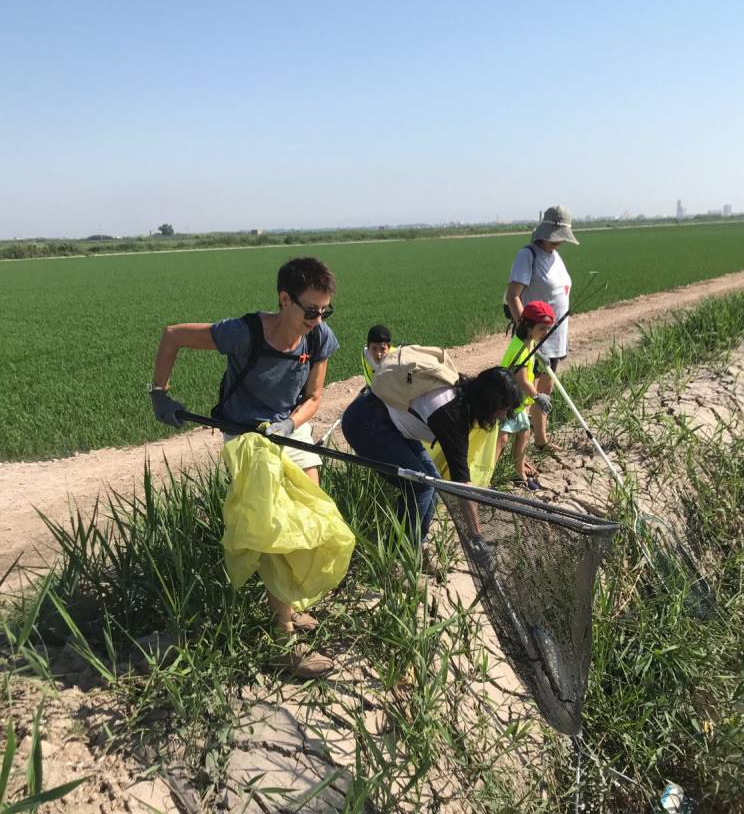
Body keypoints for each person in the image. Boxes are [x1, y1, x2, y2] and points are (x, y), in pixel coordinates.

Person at [148, 256, 339, 675]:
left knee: (312, 519)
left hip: (289, 430)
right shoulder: (244, 333)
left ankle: (291, 600)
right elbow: (173, 335)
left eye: (325, 310)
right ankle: (283, 637)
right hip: (246, 437)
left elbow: (315, 397)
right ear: (284, 299)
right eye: (310, 310)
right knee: (276, 528)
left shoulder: (318, 338)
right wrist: (160, 393)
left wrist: (288, 424)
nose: (318, 318)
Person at [341, 364, 521, 549]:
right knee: (419, 486)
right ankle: (399, 551)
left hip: (393, 424)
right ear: (488, 401)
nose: (503, 416)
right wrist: (477, 535)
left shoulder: (464, 394)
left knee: (433, 483)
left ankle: (418, 543)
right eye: (503, 408)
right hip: (365, 422)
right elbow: (463, 487)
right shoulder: (452, 414)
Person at [504, 206, 578, 450]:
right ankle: (515, 457)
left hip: (555, 337)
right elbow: (513, 295)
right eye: (557, 237)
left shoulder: (555, 256)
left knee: (545, 389)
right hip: (535, 340)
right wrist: (527, 335)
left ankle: (541, 440)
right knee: (526, 394)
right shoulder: (528, 255)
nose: (559, 243)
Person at [496, 301, 556, 484]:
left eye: (548, 329)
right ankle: (487, 475)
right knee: (502, 439)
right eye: (542, 329)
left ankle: (518, 470)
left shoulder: (527, 341)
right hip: (506, 401)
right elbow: (521, 380)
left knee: (524, 432)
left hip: (518, 402)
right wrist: (537, 397)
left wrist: (539, 357)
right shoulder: (520, 348)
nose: (546, 333)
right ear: (528, 325)